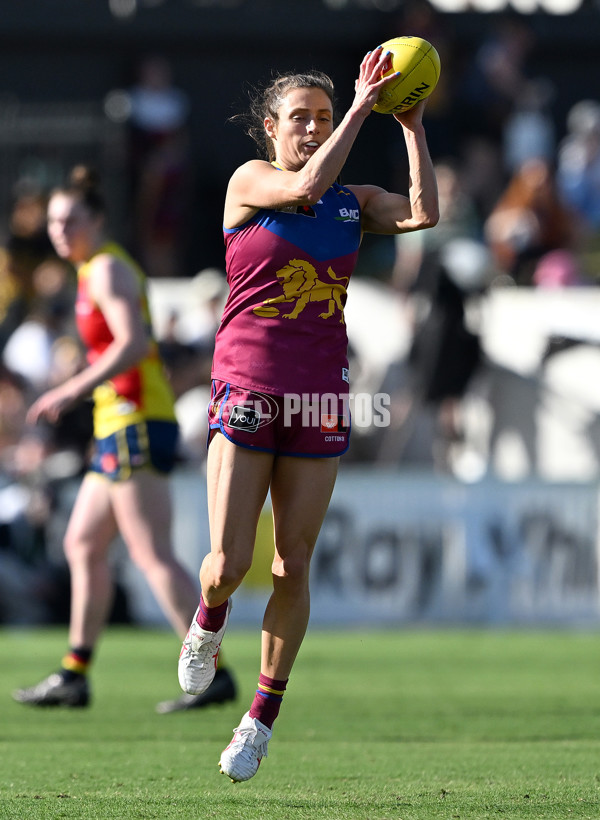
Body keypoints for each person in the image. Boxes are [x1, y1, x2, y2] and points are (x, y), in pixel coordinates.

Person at [176, 47, 439, 782]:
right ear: (270, 127)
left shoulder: (351, 200)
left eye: (323, 119)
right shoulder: (253, 182)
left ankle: (260, 719)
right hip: (247, 386)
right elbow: (303, 185)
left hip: (320, 393)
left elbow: (424, 212)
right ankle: (209, 620)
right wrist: (361, 105)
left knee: (293, 562)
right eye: (302, 119)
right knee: (229, 566)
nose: (315, 130)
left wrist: (411, 124)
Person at [12, 165, 236, 714]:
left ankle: (214, 672)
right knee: (83, 544)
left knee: (151, 554)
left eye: (71, 220)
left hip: (135, 420)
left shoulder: (108, 269)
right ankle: (74, 673)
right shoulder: (92, 270)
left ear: (98, 220)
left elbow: (135, 344)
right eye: (55, 222)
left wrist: (72, 389)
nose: (60, 231)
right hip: (120, 424)